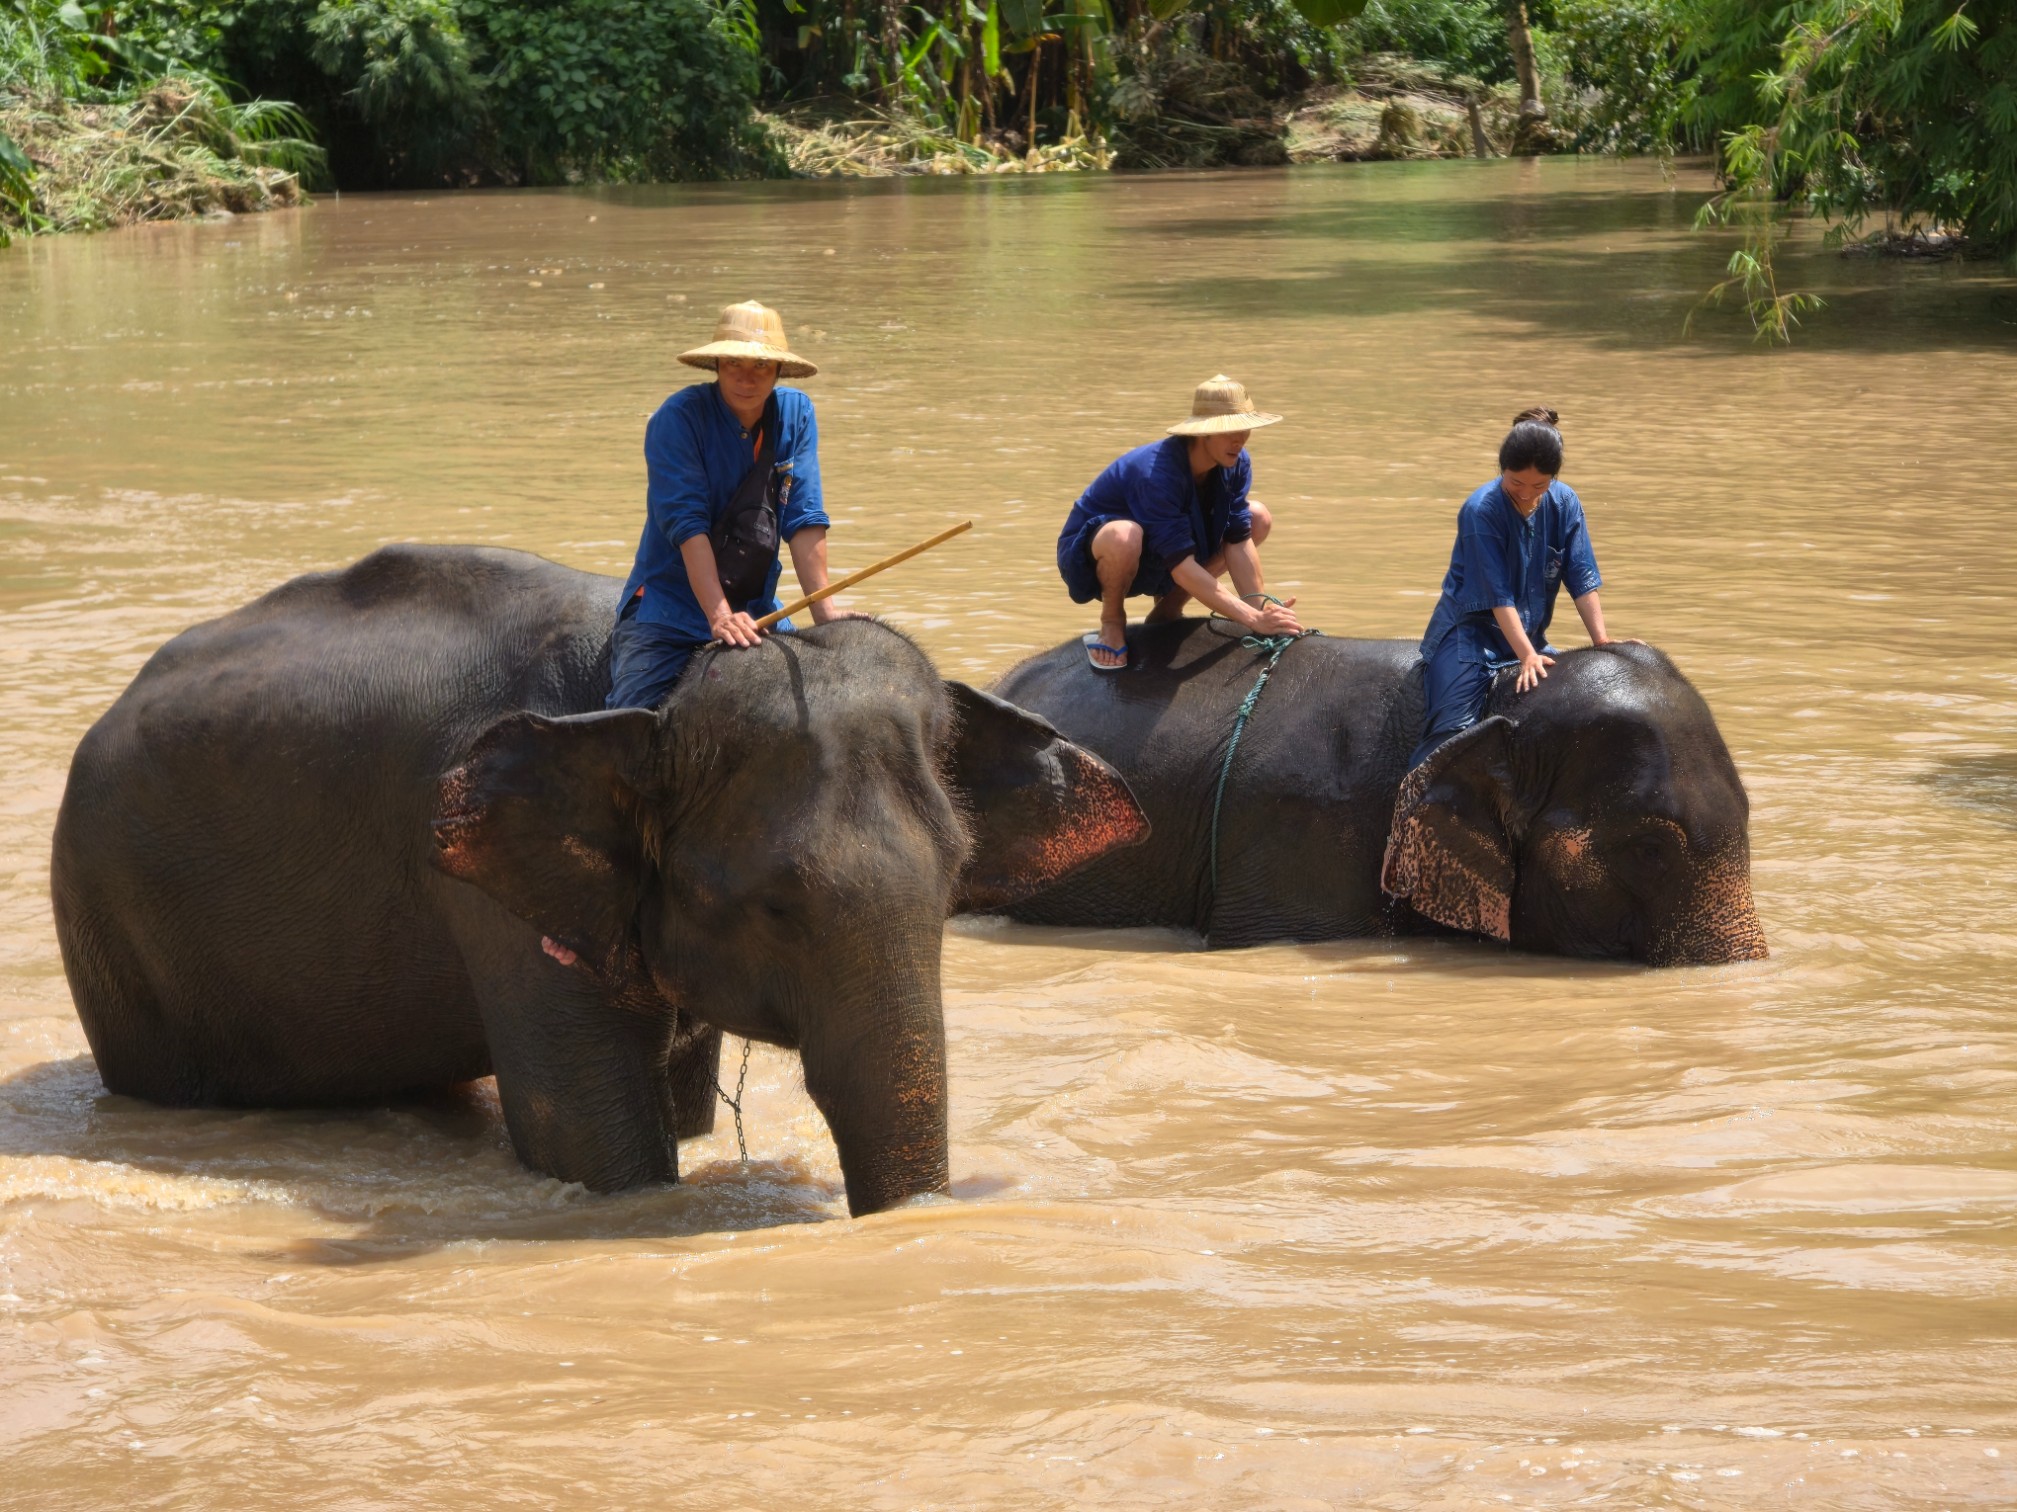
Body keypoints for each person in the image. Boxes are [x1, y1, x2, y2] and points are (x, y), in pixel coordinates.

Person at [607, 300, 851, 709]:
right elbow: (687, 525)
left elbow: (804, 516)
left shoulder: (795, 414)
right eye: (734, 363)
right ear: (717, 364)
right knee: (633, 721)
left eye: (760, 366)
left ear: (778, 370)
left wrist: (824, 610)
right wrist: (719, 617)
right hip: (672, 605)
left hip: (756, 607)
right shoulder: (678, 419)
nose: (746, 377)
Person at [1408, 406, 1624, 768]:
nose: (1526, 494)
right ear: (1501, 470)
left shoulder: (1565, 502)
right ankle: (1411, 810)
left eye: (1539, 485)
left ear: (1553, 478)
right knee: (1451, 737)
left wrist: (1600, 640)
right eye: (1515, 483)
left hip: (1529, 636)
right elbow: (1497, 595)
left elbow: (1581, 575)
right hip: (1470, 637)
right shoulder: (1481, 510)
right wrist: (1526, 656)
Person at [1056, 375, 1303, 671]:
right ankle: (1112, 621)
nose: (1239, 439)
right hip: (1103, 554)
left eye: (1245, 428)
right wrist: (1252, 621)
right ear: (1203, 434)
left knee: (1257, 517)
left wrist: (1257, 609)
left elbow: (1237, 539)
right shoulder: (1156, 472)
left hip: (1172, 544)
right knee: (1125, 535)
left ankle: (1168, 608)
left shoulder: (1237, 462)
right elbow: (1180, 565)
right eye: (1229, 431)